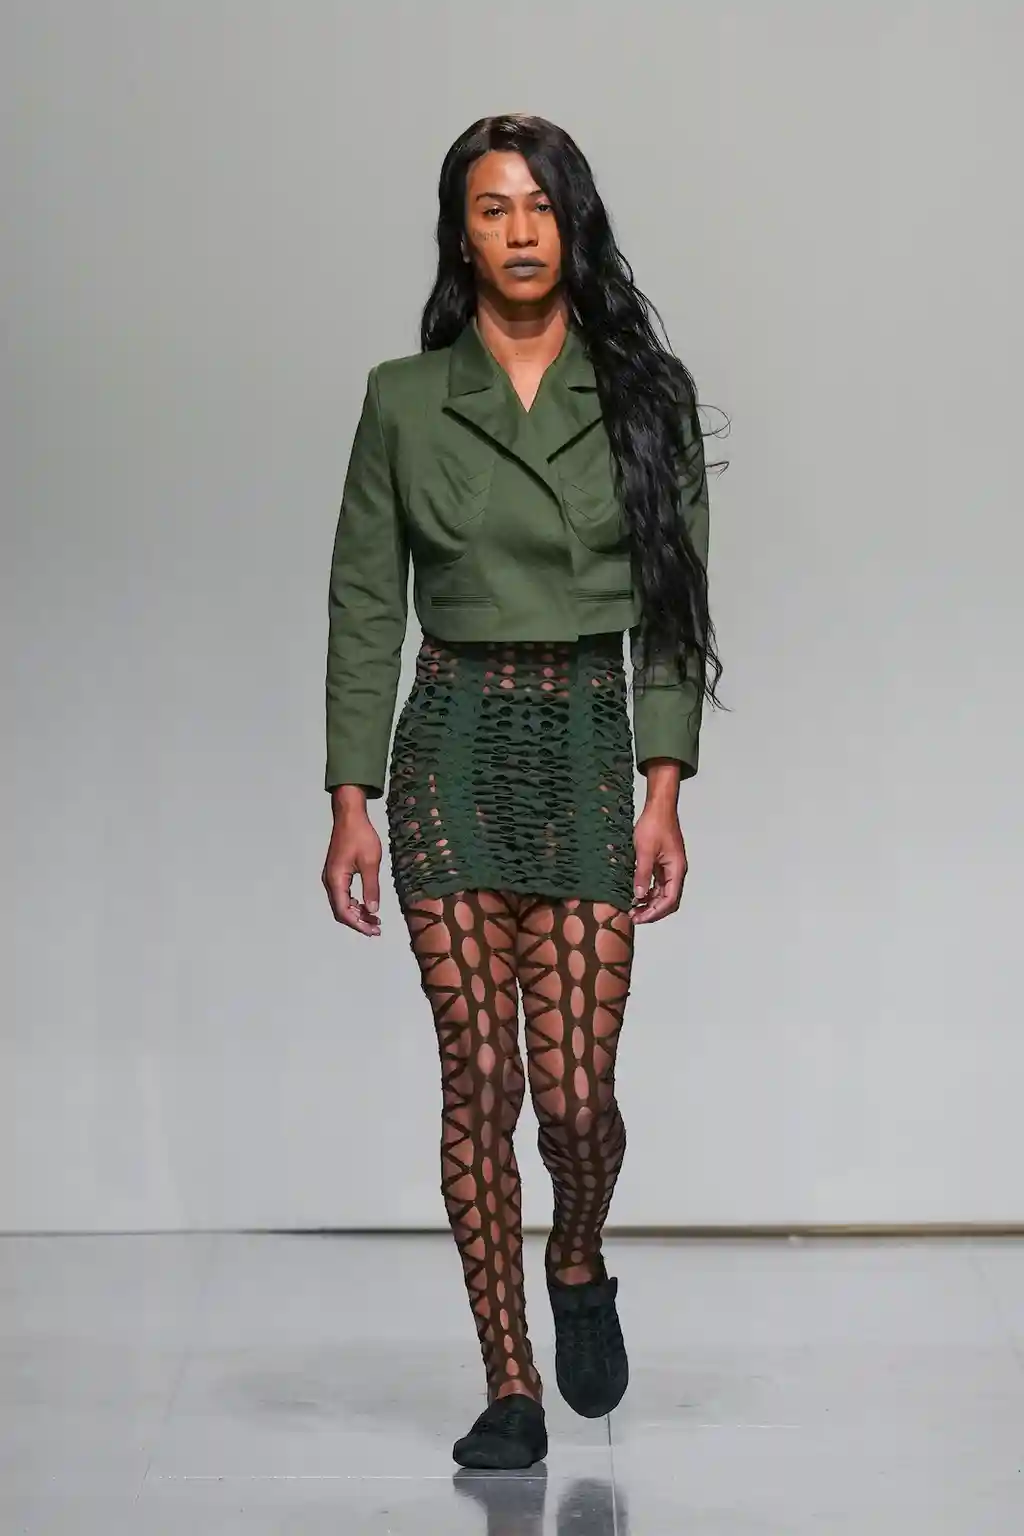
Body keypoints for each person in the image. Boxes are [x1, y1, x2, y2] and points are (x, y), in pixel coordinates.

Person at [321, 113, 724, 1471]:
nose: (520, 230)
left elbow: (675, 611)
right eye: (492, 207)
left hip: (590, 743)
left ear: (574, 222)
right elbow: (365, 602)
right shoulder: (402, 398)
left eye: (540, 204)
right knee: (479, 1076)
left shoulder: (645, 396)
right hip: (449, 745)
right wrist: (351, 797)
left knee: (575, 1102)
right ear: (462, 233)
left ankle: (580, 1254)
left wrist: (665, 787)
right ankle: (508, 1384)